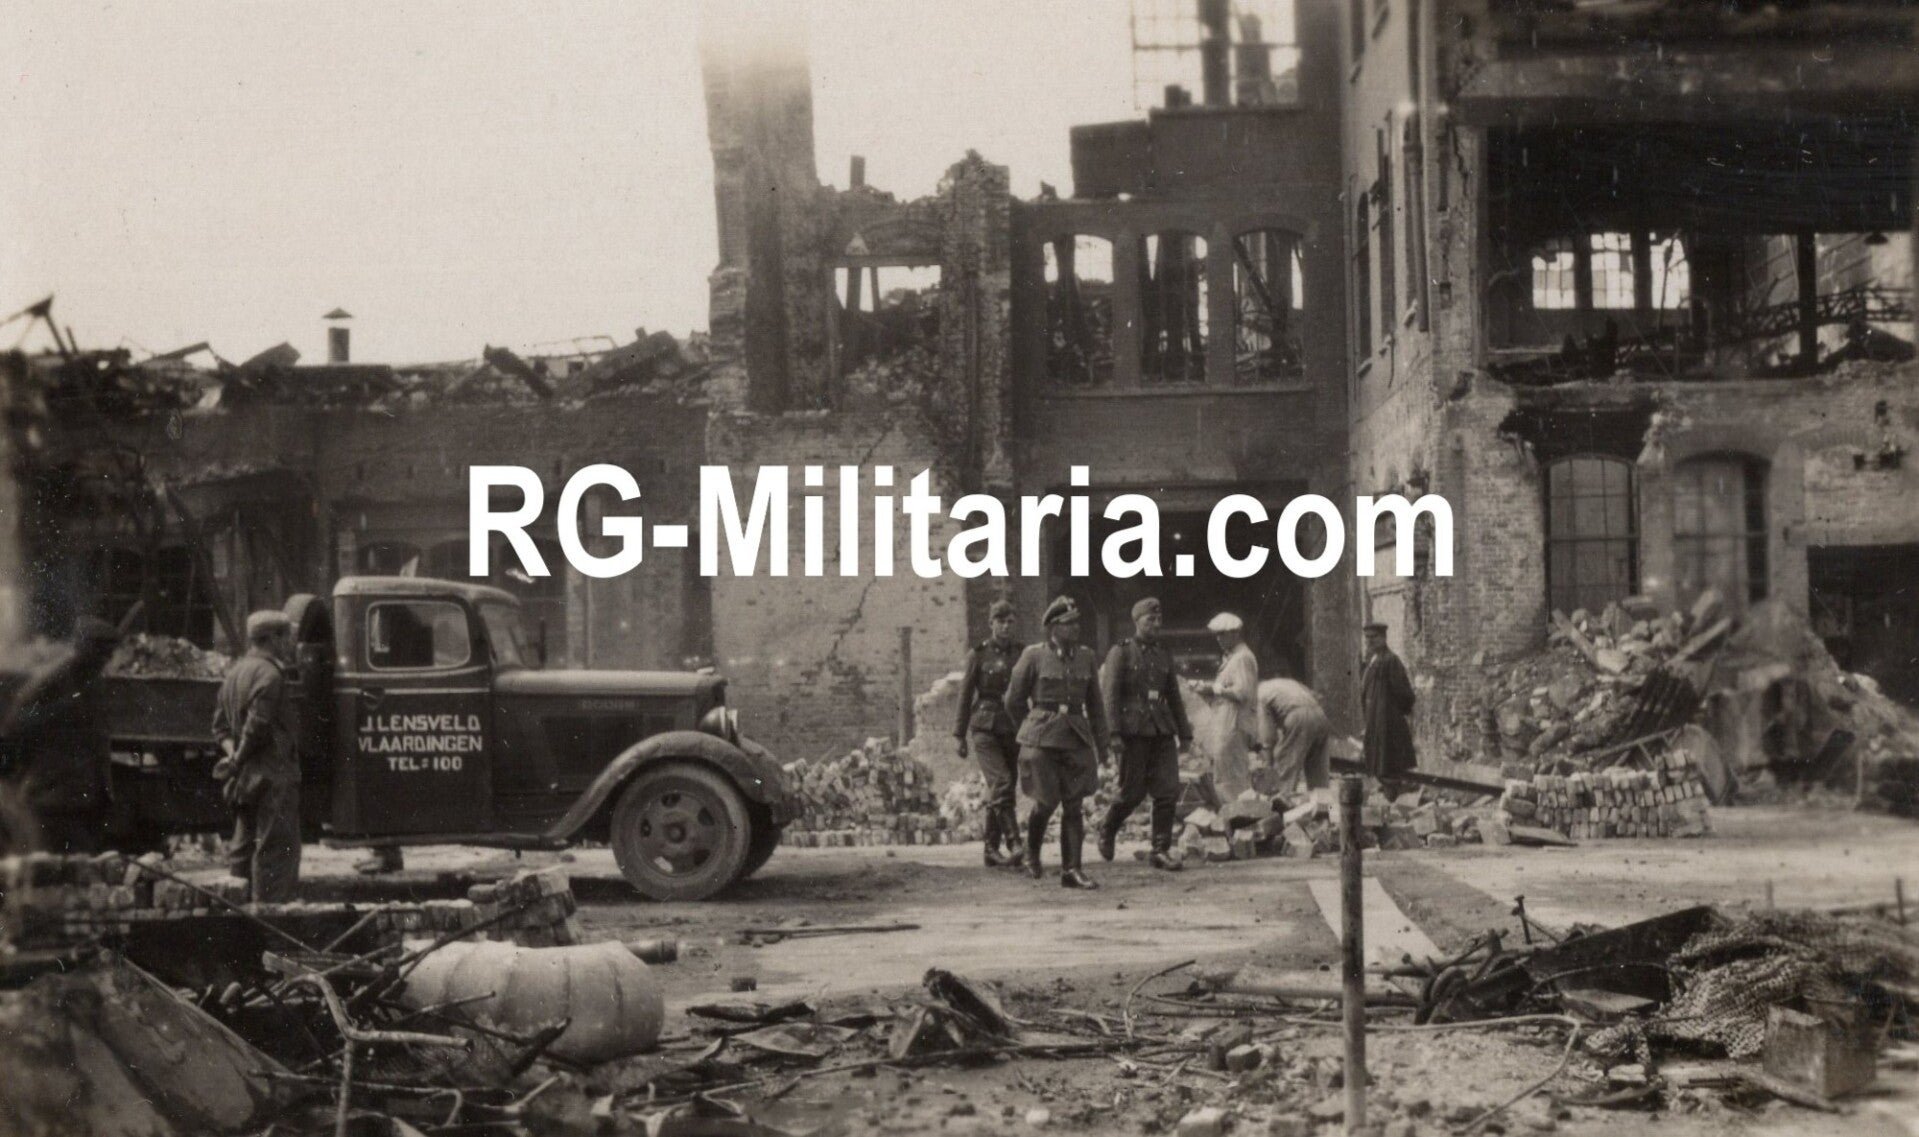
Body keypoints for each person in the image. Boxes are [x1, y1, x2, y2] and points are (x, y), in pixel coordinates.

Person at [1004, 596, 1106, 890]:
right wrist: (1032, 727)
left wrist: (1103, 744)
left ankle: (1071, 869)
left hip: (1075, 737)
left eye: (1077, 622)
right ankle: (1031, 856)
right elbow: (1013, 700)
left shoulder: (1086, 656)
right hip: (1042, 741)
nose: (1075, 628)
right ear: (1052, 628)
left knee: (1074, 805)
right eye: (1068, 624)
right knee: (1046, 802)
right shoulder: (1033, 656)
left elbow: (1096, 705)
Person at [0, 617, 122, 853]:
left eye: (108, 655)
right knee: (51, 868)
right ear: (84, 649)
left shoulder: (92, 680)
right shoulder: (53, 679)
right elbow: (16, 724)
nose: (106, 661)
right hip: (52, 797)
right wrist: (60, 711)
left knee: (82, 867)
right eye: (101, 654)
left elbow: (98, 736)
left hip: (85, 796)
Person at [212, 610, 302, 903]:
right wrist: (239, 757)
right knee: (275, 850)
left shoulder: (235, 672)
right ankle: (272, 923)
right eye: (286, 636)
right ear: (273, 639)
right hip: (273, 775)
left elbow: (220, 728)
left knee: (242, 847)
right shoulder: (271, 674)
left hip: (245, 777)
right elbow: (258, 724)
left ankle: (238, 917)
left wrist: (233, 757)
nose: (289, 643)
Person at [1097, 597, 1192, 871]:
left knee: (1168, 790)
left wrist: (1184, 733)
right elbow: (1110, 696)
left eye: (1159, 619)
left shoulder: (1163, 653)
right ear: (1136, 621)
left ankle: (1159, 850)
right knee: (1132, 791)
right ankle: (1108, 827)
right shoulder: (1121, 652)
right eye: (1150, 619)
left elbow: (1173, 695)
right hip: (1132, 731)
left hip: (1161, 729)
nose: (1156, 624)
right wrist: (1113, 733)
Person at [954, 599, 1025, 868]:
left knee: (1002, 788)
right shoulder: (979, 654)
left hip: (1014, 728)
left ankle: (990, 850)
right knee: (1003, 782)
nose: (1006, 627)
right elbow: (965, 695)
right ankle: (1015, 842)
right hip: (985, 727)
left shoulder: (1021, 654)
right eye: (1001, 622)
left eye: (1010, 622)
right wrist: (959, 735)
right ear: (991, 624)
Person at [1198, 612, 1259, 798]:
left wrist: (1214, 688)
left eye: (1222, 634)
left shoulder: (1242, 658)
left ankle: (1238, 817)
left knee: (1232, 777)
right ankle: (1231, 817)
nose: (1218, 638)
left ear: (1235, 633)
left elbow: (1242, 692)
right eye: (1217, 634)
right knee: (1225, 774)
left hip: (1233, 724)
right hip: (1227, 723)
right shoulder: (1233, 658)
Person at [1360, 621, 1418, 792]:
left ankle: (1395, 793)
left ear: (1384, 638)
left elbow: (1403, 692)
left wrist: (1395, 713)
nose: (1370, 642)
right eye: (1367, 638)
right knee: (1379, 763)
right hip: (1375, 719)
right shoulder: (1373, 660)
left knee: (1387, 762)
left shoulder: (1390, 660)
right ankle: (1390, 793)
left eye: (1374, 638)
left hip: (1387, 721)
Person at [1255, 674, 1332, 799]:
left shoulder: (1259, 694)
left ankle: (1281, 813)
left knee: (1284, 775)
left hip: (1299, 717)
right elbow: (1317, 696)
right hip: (1320, 715)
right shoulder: (1285, 683)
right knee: (1321, 782)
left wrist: (1269, 765)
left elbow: (1268, 737)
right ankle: (1329, 814)